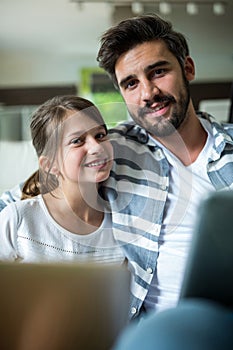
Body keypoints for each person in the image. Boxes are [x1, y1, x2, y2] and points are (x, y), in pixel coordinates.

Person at [1, 14, 233, 321]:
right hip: (159, 327)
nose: (148, 93)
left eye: (159, 72)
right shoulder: (114, 149)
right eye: (131, 83)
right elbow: (26, 196)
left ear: (187, 69)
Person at [0, 95, 125, 265]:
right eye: (77, 141)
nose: (96, 147)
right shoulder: (18, 219)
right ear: (50, 165)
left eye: (100, 135)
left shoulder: (122, 222)